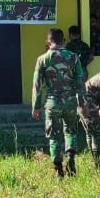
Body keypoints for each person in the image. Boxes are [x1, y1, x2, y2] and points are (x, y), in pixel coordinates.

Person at [31, 28, 86, 178]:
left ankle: (58, 170)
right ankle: (71, 161)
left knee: (54, 136)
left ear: (48, 41)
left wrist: (35, 107)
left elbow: (37, 86)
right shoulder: (73, 57)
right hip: (70, 103)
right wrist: (82, 103)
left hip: (52, 103)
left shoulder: (42, 59)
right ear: (63, 41)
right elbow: (80, 81)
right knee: (70, 132)